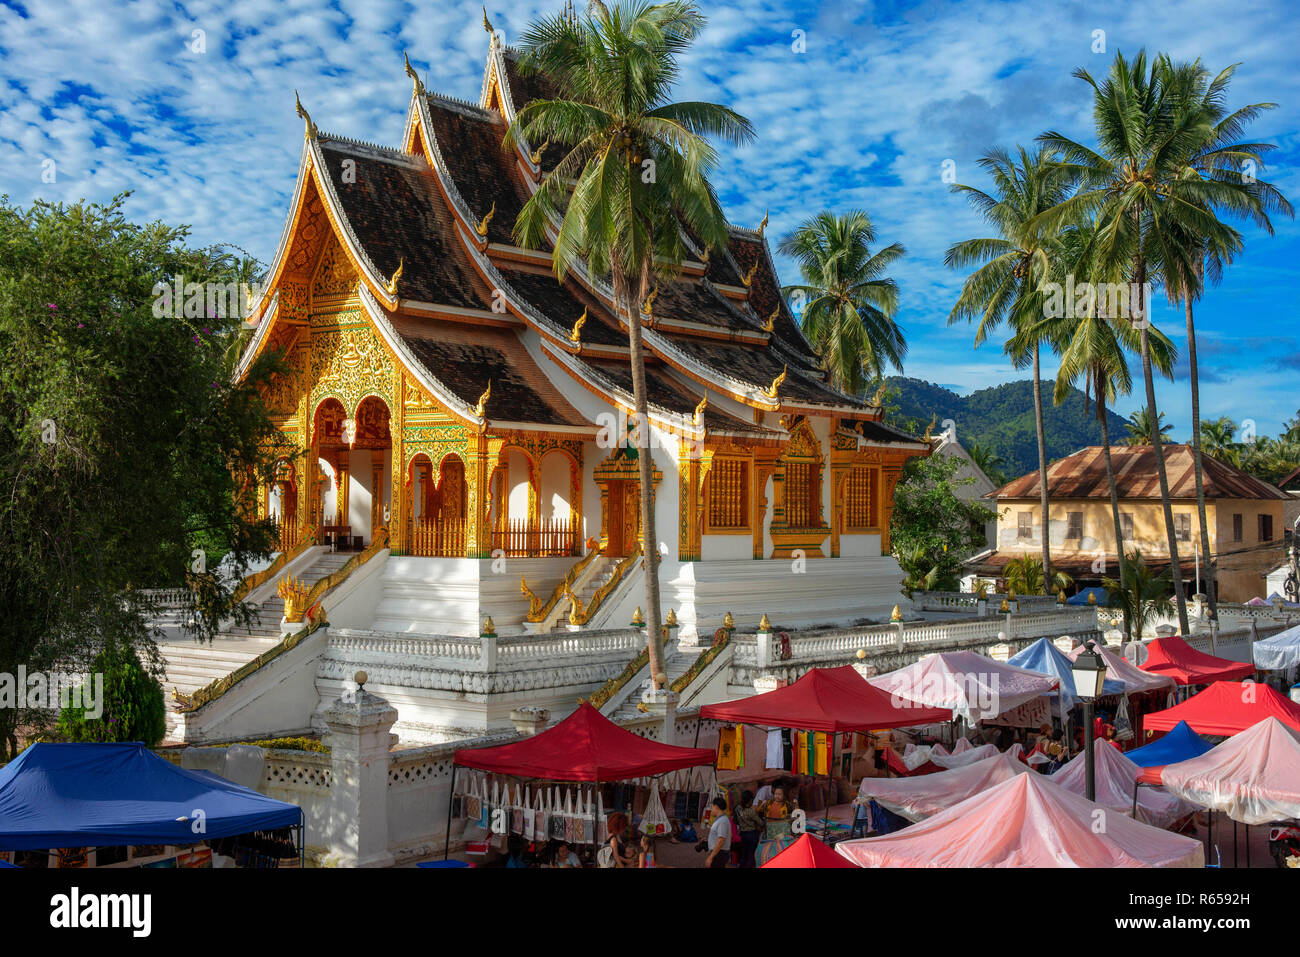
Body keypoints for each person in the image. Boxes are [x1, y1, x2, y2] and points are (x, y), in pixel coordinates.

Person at [734, 790, 765, 868]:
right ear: (750, 800)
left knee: (743, 855)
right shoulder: (751, 811)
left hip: (742, 834)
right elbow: (761, 823)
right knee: (751, 855)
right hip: (752, 834)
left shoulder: (738, 808)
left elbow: (736, 820)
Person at [704, 797, 731, 868]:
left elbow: (721, 841)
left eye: (712, 807)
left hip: (719, 854)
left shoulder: (722, 821)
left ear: (716, 807)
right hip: (719, 853)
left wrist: (711, 857)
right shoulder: (720, 819)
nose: (711, 810)